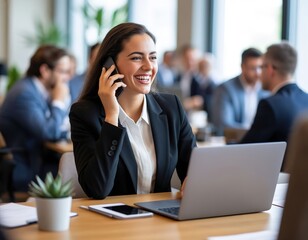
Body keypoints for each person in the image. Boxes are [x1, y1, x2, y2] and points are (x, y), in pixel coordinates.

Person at [69, 23, 196, 199]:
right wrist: (112, 116)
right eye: (136, 58)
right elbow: (97, 189)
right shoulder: (85, 114)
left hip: (160, 218)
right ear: (110, 65)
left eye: (152, 58)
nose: (148, 66)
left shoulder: (171, 107)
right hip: (112, 222)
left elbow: (193, 167)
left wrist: (193, 180)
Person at [0, 45, 71, 191]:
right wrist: (58, 101)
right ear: (45, 71)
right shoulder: (24, 94)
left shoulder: (37, 90)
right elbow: (49, 132)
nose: (67, 78)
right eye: (63, 71)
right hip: (23, 168)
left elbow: (58, 129)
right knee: (74, 173)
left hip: (36, 159)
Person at [240, 42, 308, 148]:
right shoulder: (306, 99)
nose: (259, 73)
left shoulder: (269, 105)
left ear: (270, 69)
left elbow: (245, 149)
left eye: (261, 67)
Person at [211, 48, 269, 135]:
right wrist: (254, 132)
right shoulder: (225, 89)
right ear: (242, 67)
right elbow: (224, 124)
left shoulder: (265, 90)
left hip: (260, 142)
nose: (258, 73)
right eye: (253, 68)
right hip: (235, 144)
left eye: (260, 68)